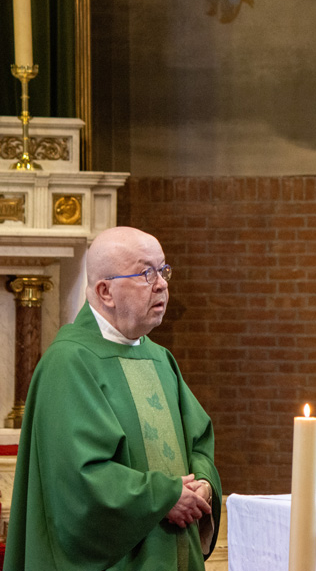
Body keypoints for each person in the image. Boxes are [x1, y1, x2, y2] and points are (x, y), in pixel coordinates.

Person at [3, 227, 221, 571]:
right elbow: (77, 482)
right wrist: (164, 497)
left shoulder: (160, 360)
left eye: (163, 271)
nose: (162, 284)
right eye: (147, 273)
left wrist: (203, 488)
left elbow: (199, 443)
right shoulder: (69, 363)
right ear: (105, 291)